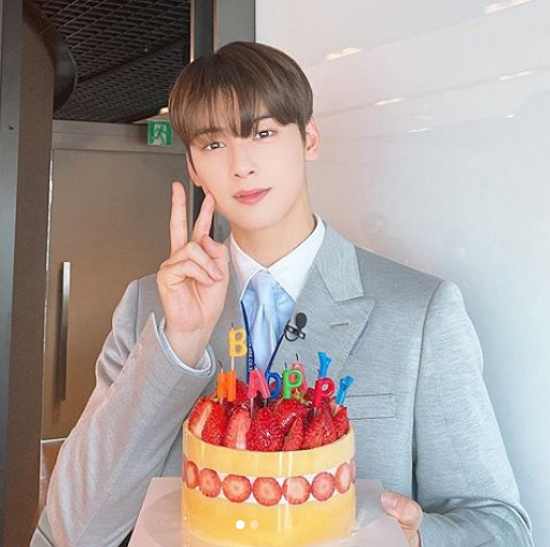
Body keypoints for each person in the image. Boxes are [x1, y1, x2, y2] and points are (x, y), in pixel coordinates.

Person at [32, 41, 533, 547]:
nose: (241, 165)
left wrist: (422, 537)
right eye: (213, 145)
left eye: (263, 133)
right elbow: (73, 529)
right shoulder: (148, 306)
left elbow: (500, 526)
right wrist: (178, 348)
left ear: (309, 138)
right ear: (192, 166)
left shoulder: (420, 312)